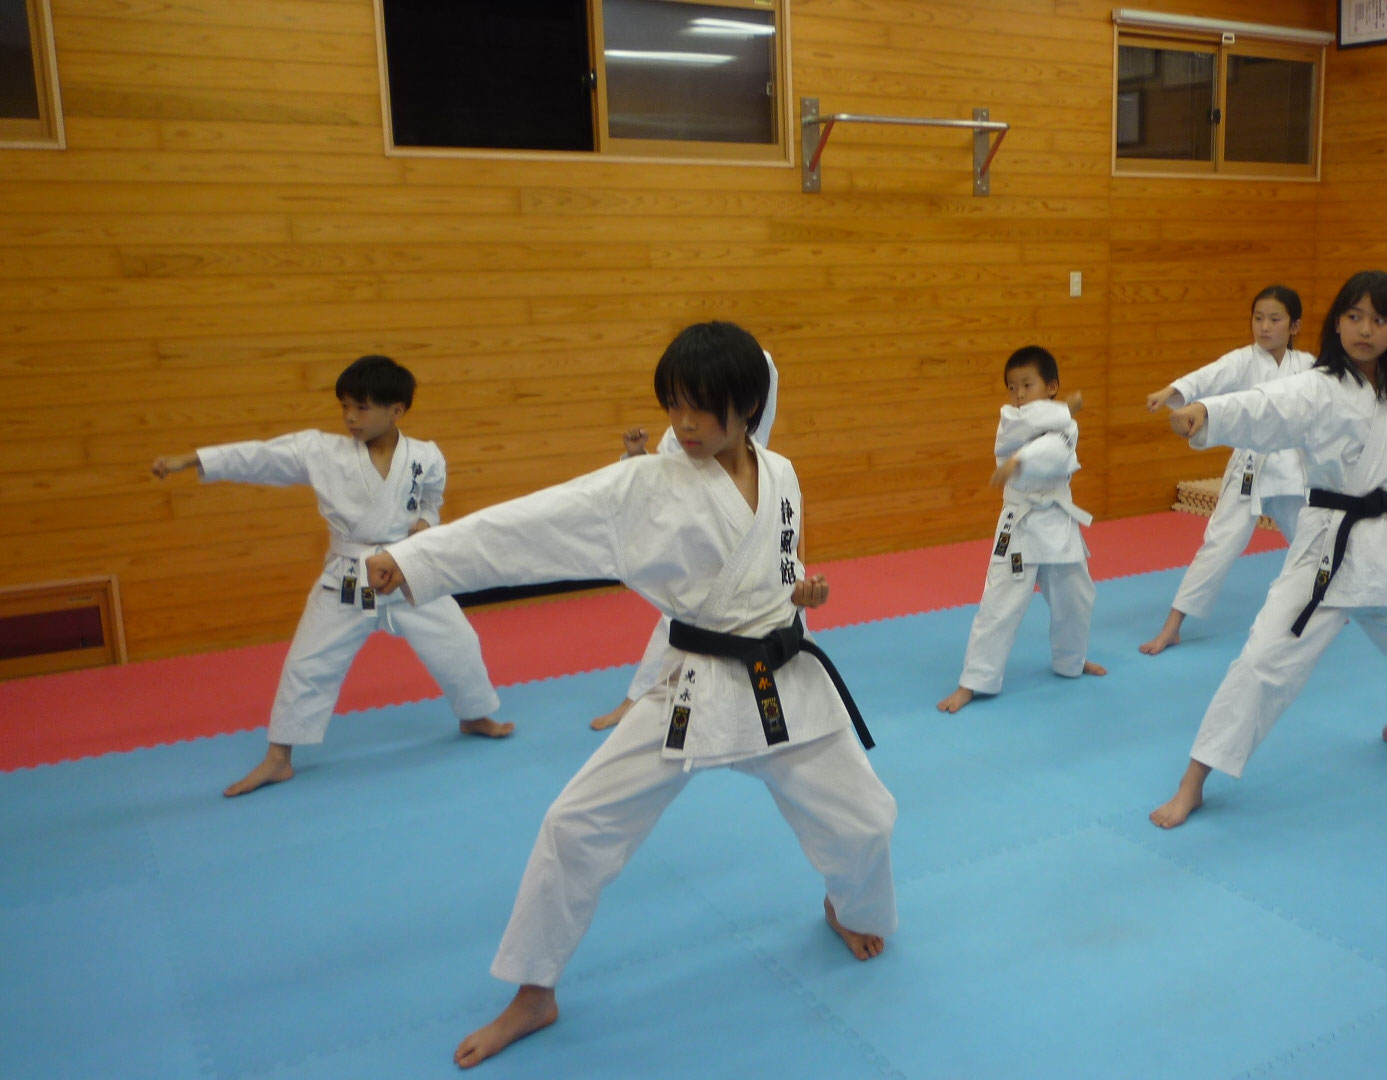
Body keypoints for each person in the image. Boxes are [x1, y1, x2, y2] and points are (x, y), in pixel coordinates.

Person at [362, 322, 896, 1070]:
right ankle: (533, 992)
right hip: (696, 687)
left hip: (783, 680)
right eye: (674, 404)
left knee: (868, 817)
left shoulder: (783, 473)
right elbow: (528, 524)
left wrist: (798, 587)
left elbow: (774, 557)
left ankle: (849, 905)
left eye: (702, 409)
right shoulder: (644, 484)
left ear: (748, 407)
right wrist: (414, 557)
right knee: (574, 825)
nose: (683, 425)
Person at [1147, 271, 1387, 830]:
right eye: (1353, 317)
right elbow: (1265, 404)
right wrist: (1209, 414)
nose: (1364, 330)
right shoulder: (1320, 385)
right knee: (1261, 664)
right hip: (1328, 550)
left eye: (1378, 320)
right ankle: (1193, 781)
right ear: (1337, 324)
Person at [150, 355, 508, 798]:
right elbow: (259, 457)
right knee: (308, 663)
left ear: (396, 410)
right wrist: (193, 460)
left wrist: (426, 523)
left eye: (362, 408)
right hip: (349, 576)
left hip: (408, 569)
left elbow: (430, 498)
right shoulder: (320, 451)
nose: (349, 418)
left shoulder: (426, 456)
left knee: (458, 643)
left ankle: (474, 714)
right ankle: (279, 757)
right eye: (344, 407)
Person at [588, 351, 780, 731]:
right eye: (678, 405)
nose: (687, 420)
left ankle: (769, 707)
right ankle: (640, 702)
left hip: (751, 558)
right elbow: (657, 480)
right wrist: (634, 456)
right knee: (678, 624)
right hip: (698, 549)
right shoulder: (685, 437)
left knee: (773, 631)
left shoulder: (761, 459)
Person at [1140, 285, 1317, 655]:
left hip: (1291, 471)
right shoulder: (1242, 361)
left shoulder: (1309, 367)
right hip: (1250, 470)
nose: (1264, 327)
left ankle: (1330, 606)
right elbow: (1208, 377)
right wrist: (1171, 391)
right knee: (1217, 547)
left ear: (1295, 325)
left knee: (1312, 542)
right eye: (1258, 318)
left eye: (1274, 319)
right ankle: (1172, 626)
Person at [936, 346, 1106, 714]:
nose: (1019, 395)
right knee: (999, 604)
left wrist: (1021, 460)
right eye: (1012, 388)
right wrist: (1018, 458)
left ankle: (1071, 661)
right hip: (1020, 525)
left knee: (1076, 597)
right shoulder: (1010, 421)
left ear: (1051, 387)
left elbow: (1057, 453)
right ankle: (973, 681)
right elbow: (1028, 435)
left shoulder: (1067, 428)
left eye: (1028, 385)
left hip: (1058, 520)